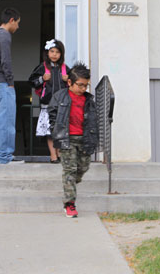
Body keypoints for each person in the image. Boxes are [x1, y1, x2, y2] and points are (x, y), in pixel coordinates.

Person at [47, 62, 98, 218]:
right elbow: (52, 113)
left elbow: (93, 119)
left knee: (83, 168)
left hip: (84, 138)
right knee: (69, 170)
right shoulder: (60, 96)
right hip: (67, 139)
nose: (83, 89)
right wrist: (56, 130)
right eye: (80, 85)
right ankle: (69, 204)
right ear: (69, 82)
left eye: (86, 86)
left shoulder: (89, 100)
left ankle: (69, 184)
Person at [0, 7, 23, 164]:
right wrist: (10, 83)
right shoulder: (4, 35)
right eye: (18, 23)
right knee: (6, 122)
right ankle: (4, 157)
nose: (18, 27)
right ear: (12, 20)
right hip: (1, 84)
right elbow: (6, 62)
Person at [28, 39, 70, 163]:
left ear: (61, 54)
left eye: (57, 52)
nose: (54, 54)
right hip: (48, 104)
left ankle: (60, 154)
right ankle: (53, 155)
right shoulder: (43, 67)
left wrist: (68, 79)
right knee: (50, 132)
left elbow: (74, 84)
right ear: (47, 53)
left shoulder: (65, 68)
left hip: (62, 105)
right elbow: (31, 81)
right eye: (52, 51)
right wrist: (42, 78)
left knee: (60, 131)